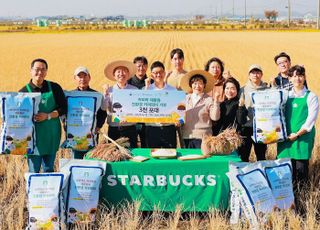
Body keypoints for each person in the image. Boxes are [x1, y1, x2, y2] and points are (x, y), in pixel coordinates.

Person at [19, 58, 67, 173]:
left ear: (46, 71)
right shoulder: (23, 91)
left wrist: (48, 115)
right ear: (31, 71)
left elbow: (63, 108)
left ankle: (48, 191)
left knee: (49, 169)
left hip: (51, 135)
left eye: (43, 69)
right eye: (37, 69)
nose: (40, 72)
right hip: (33, 139)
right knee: (33, 170)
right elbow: (19, 116)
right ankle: (33, 191)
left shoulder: (54, 87)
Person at [277, 65, 318, 187]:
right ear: (289, 78)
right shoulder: (285, 96)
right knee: (285, 171)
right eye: (294, 76)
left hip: (302, 138)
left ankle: (301, 200)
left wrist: (297, 134)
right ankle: (288, 202)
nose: (297, 79)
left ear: (304, 77)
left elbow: (311, 120)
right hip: (286, 138)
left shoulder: (311, 96)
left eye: (300, 76)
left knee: (301, 172)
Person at [71, 66, 107, 159]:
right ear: (75, 78)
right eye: (79, 77)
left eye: (85, 76)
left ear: (89, 77)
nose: (82, 79)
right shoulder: (70, 96)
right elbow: (65, 113)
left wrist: (98, 126)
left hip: (91, 135)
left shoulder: (96, 95)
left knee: (91, 160)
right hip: (75, 135)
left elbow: (102, 112)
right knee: (76, 161)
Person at [179, 70, 220, 148]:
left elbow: (215, 117)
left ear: (204, 85)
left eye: (200, 83)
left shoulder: (209, 99)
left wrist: (216, 101)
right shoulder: (184, 98)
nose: (197, 86)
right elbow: (179, 116)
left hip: (204, 138)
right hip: (186, 136)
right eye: (195, 83)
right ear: (191, 85)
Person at [238, 64, 269, 162]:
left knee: (261, 156)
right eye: (253, 72)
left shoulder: (267, 90)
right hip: (246, 127)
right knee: (243, 155)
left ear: (261, 74)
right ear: (249, 75)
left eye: (258, 72)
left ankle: (261, 175)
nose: (255, 75)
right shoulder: (242, 90)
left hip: (262, 127)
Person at [103, 60, 138, 148]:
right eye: (118, 71)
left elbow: (138, 109)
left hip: (130, 128)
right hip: (114, 129)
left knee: (131, 154)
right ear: (114, 75)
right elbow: (103, 108)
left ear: (128, 74)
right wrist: (105, 94)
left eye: (124, 71)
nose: (121, 74)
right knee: (114, 154)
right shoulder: (109, 90)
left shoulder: (135, 90)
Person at [144, 61, 178, 148]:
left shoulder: (173, 90)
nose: (158, 75)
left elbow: (177, 110)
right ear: (151, 74)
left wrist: (178, 120)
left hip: (169, 128)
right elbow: (142, 107)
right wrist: (146, 90)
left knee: (170, 155)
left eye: (160, 72)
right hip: (152, 128)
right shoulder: (146, 89)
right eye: (155, 73)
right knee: (153, 156)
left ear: (164, 73)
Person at [127, 56, 153, 148]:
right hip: (131, 123)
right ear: (134, 67)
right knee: (132, 147)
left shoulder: (152, 83)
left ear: (147, 67)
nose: (141, 68)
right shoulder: (127, 83)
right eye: (138, 66)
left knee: (147, 147)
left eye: (143, 66)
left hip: (147, 122)